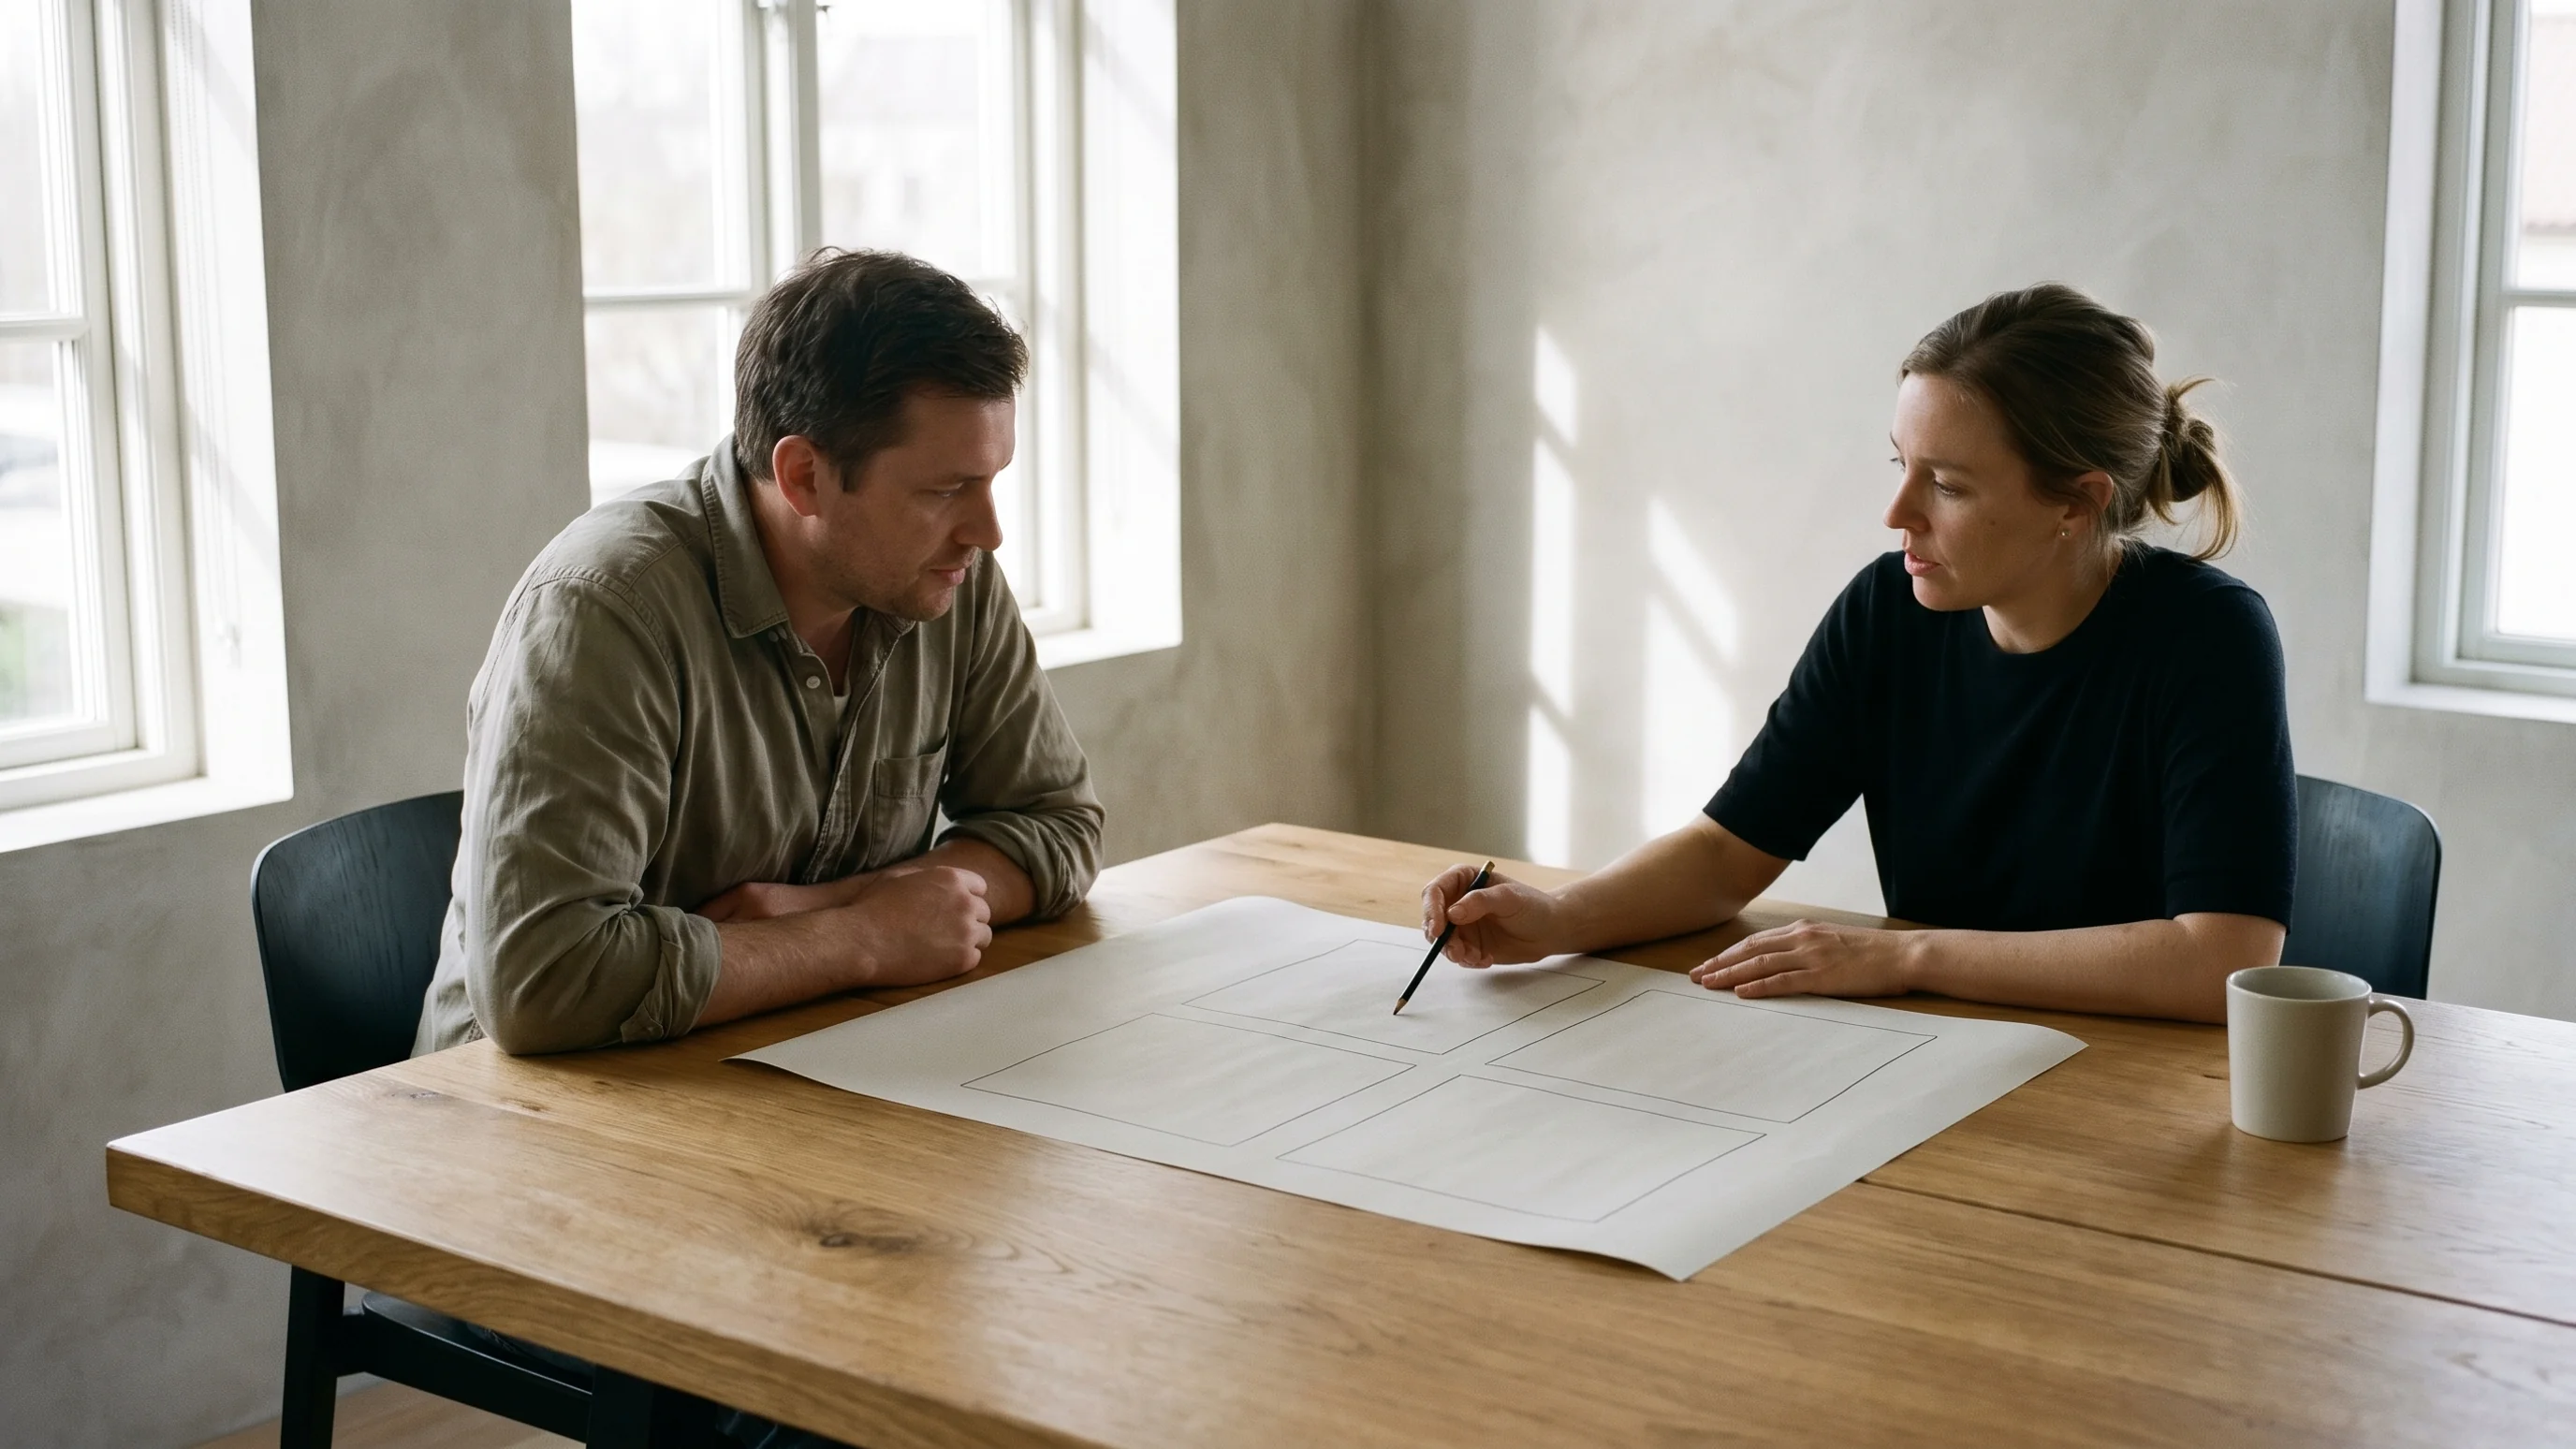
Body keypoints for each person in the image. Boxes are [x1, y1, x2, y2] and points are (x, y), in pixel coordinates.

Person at [1420, 283, 2294, 1025]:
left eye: (1946, 485)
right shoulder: (1888, 611)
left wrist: (1907, 957)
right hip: (1935, 1055)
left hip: (2135, 1093)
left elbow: (2221, 958)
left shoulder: (2209, 639)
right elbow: (1728, 854)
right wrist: (1556, 915)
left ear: (2076, 502)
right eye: (1900, 463)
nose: (1897, 512)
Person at [415, 247, 1103, 1059]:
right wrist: (863, 939)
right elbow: (542, 980)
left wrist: (837, 906)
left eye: (991, 482)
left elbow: (1056, 824)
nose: (987, 532)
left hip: (796, 1058)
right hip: (534, 1113)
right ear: (805, 475)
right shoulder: (602, 608)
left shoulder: (946, 577)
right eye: (944, 490)